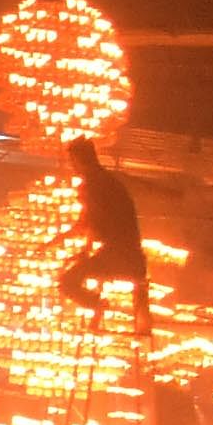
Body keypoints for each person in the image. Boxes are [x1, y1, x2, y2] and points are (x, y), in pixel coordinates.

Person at [61, 133, 149, 326]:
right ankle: (97, 304)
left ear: (79, 159)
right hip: (127, 255)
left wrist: (56, 243)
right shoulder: (108, 181)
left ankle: (99, 304)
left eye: (72, 161)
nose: (72, 166)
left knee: (67, 282)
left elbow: (89, 224)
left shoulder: (94, 185)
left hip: (119, 257)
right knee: (76, 273)